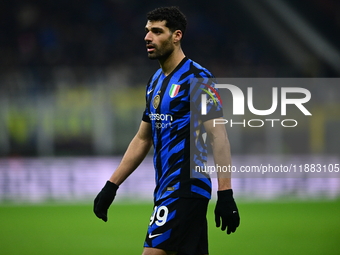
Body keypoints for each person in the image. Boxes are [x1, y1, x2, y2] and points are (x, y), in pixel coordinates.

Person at [94, 6, 240, 255]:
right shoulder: (155, 82)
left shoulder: (198, 78)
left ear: (177, 35)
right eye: (147, 31)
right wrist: (111, 185)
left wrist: (225, 193)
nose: (147, 37)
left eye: (157, 31)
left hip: (185, 189)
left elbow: (219, 136)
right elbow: (143, 138)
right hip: (165, 190)